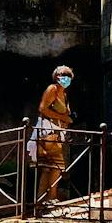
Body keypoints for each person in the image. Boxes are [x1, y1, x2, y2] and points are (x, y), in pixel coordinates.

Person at [34, 66, 73, 208]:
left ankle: (42, 201)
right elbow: (43, 108)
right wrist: (63, 117)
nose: (66, 78)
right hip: (49, 132)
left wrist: (66, 120)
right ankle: (49, 199)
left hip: (57, 133)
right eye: (63, 75)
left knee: (48, 167)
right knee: (57, 166)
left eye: (68, 75)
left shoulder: (65, 94)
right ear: (56, 77)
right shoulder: (53, 89)